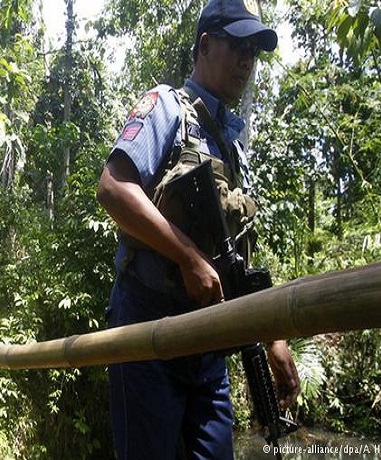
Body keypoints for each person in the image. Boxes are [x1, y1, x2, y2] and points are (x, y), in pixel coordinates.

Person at [96, 0, 301, 458]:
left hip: (209, 344)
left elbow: (236, 256)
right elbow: (112, 187)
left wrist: (274, 337)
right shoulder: (166, 107)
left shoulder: (233, 144)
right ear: (205, 45)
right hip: (146, 333)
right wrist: (188, 256)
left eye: (255, 51)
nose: (248, 61)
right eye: (238, 46)